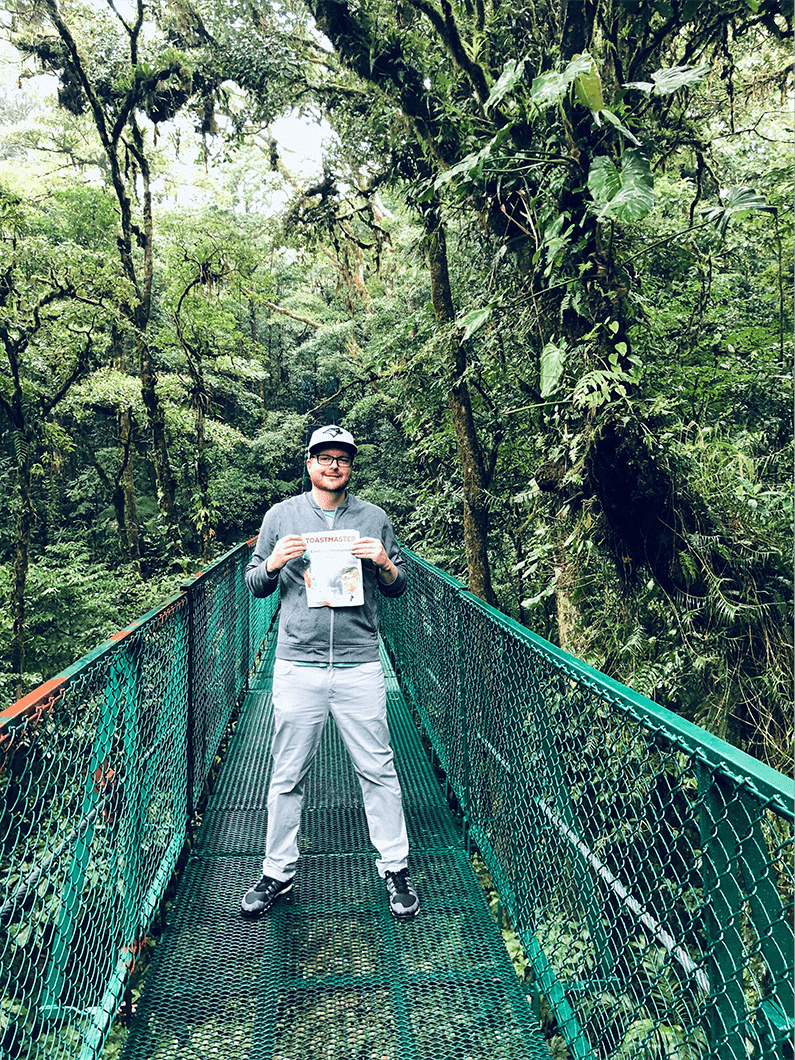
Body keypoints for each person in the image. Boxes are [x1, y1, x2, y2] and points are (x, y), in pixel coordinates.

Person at [240, 424, 419, 919]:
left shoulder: (374, 518)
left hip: (361, 663)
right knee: (286, 773)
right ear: (309, 462)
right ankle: (277, 871)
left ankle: (396, 869)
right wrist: (273, 562)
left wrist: (384, 563)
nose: (333, 465)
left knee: (378, 769)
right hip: (298, 663)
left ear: (350, 465)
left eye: (342, 458)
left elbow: (398, 585)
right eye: (325, 457)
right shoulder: (282, 516)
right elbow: (254, 582)